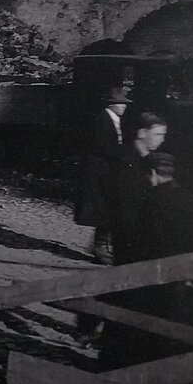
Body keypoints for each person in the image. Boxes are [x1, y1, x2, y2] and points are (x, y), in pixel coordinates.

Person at [76, 87, 130, 264]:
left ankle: (101, 246)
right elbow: (102, 146)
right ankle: (99, 248)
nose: (124, 107)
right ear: (111, 104)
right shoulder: (103, 119)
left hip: (106, 171)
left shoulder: (112, 119)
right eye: (120, 104)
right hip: (99, 172)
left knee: (107, 210)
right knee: (105, 210)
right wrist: (123, 156)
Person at [110, 112, 168, 266]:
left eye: (163, 134)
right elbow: (125, 207)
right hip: (131, 237)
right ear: (142, 133)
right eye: (157, 134)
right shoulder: (127, 161)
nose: (161, 139)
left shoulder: (150, 161)